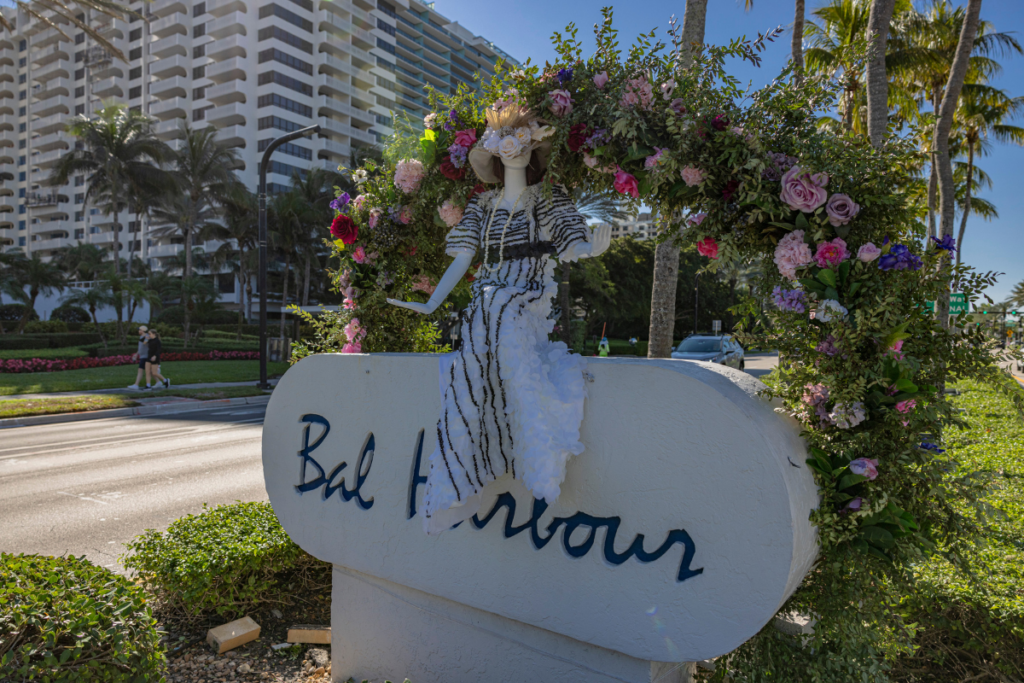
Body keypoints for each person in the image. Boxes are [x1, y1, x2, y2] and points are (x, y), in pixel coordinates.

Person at [388, 105, 611, 534]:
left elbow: (570, 241)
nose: (514, 150)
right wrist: (432, 303)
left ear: (532, 151)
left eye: (522, 142)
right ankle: (478, 447)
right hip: (492, 294)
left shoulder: (547, 199)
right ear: (495, 152)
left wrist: (590, 248)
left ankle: (523, 443)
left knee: (498, 306)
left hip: (528, 292)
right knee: (487, 308)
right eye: (507, 142)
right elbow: (464, 257)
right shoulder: (483, 204)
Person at [127, 325, 149, 390]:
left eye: (139, 330)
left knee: (140, 370)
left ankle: (136, 384)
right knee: (150, 372)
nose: (138, 331)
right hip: (143, 356)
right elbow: (141, 347)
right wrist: (136, 354)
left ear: (143, 331)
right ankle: (161, 381)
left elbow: (146, 344)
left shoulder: (146, 337)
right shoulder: (141, 337)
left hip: (145, 356)